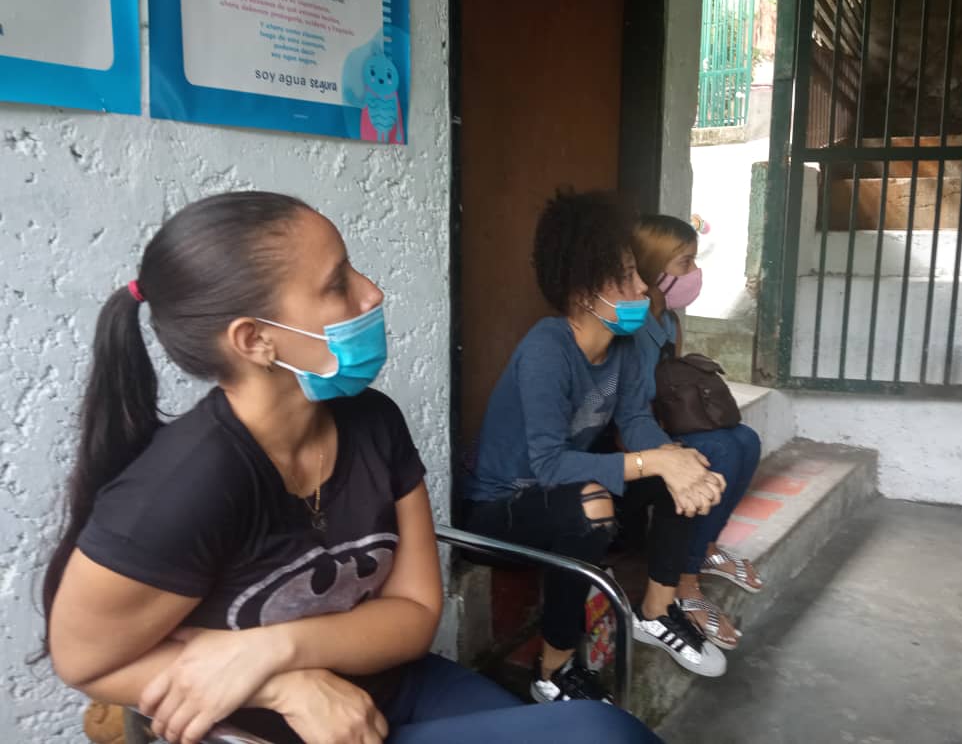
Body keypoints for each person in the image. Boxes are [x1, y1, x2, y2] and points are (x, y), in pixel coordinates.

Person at [41, 191, 663, 744]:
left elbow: (415, 613)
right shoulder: (183, 488)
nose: (372, 292)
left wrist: (272, 651)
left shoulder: (373, 422)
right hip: (277, 730)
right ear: (255, 340)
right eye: (338, 282)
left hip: (398, 688)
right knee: (602, 732)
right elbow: (85, 661)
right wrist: (284, 689)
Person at [463, 190, 729, 705]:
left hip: (564, 491)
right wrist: (656, 460)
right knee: (591, 506)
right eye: (626, 276)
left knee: (686, 465)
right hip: (500, 509)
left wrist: (679, 464)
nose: (642, 286)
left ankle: (656, 612)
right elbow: (549, 465)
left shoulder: (621, 344)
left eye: (637, 273)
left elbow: (635, 420)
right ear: (585, 290)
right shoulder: (547, 348)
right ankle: (553, 671)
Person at [630, 213, 764, 652]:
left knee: (745, 440)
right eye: (684, 263)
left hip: (660, 428)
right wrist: (669, 452)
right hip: (632, 443)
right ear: (654, 268)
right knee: (719, 450)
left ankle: (703, 547)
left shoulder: (669, 320)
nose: (694, 272)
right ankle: (686, 583)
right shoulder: (631, 322)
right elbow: (630, 410)